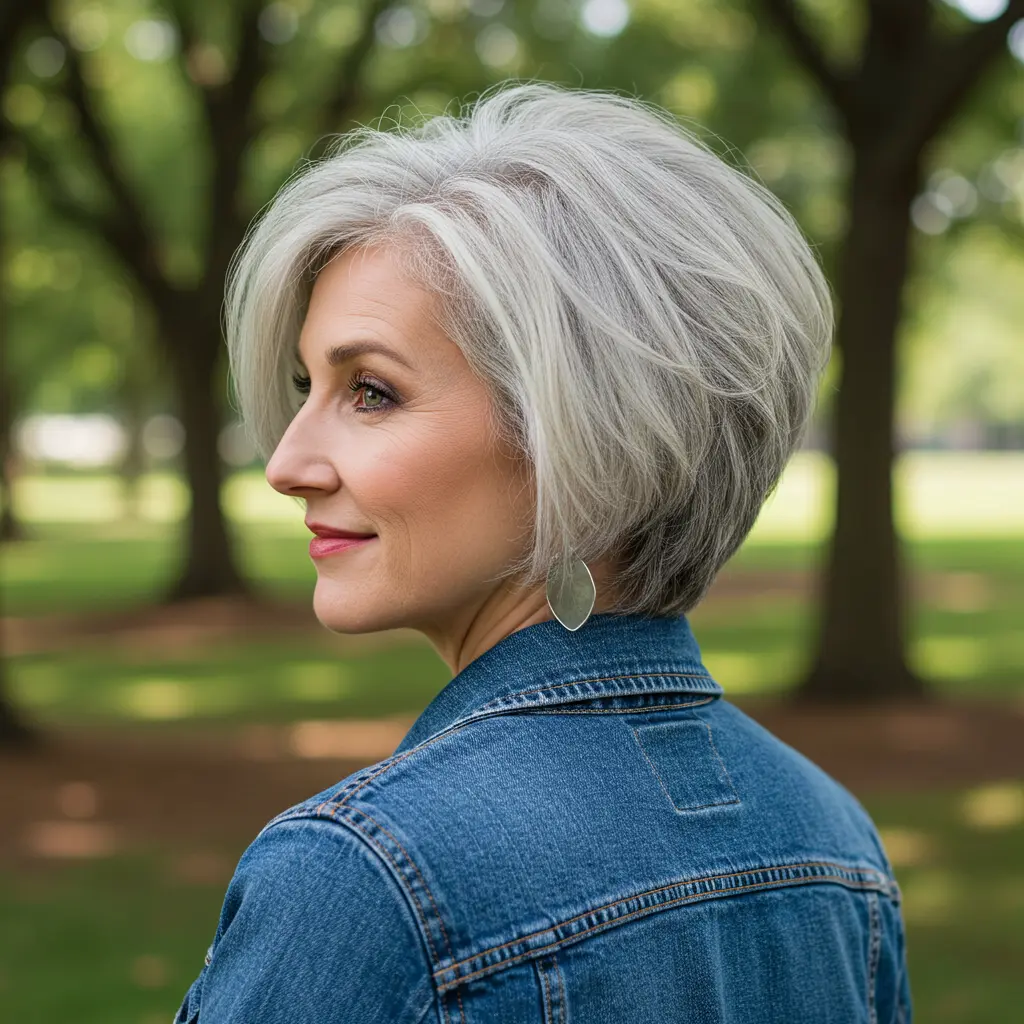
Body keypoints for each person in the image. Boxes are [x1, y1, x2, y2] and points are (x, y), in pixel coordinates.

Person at [174, 82, 911, 1023]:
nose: (287, 463)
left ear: (581, 434)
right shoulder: (835, 840)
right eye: (303, 384)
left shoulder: (368, 881)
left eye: (370, 391)